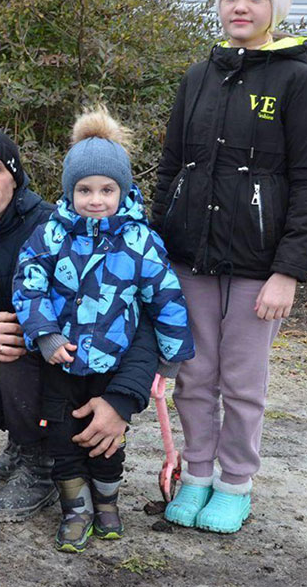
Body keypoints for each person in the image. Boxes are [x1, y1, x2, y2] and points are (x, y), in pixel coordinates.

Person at [152, 0, 307, 533]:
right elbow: (171, 167)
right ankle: (197, 476)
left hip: (259, 268)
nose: (241, 6)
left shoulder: (298, 81)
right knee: (195, 376)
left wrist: (288, 271)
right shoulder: (198, 76)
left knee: (243, 381)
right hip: (190, 260)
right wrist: (156, 246)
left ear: (275, 6)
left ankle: (236, 485)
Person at [0, 129, 161, 522]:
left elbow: (138, 320)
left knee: (20, 337)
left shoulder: (60, 228)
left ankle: (41, 463)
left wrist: (123, 399)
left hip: (70, 378)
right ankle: (25, 443)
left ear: (15, 176)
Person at [13, 108, 194, 552]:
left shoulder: (140, 241)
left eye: (107, 190)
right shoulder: (50, 235)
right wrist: (44, 334)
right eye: (85, 190)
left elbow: (165, 297)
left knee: (107, 442)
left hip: (113, 361)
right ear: (69, 191)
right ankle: (76, 509)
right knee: (63, 439)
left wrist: (170, 357)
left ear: (124, 190)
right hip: (63, 359)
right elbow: (27, 282)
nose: (96, 200)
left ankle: (108, 503)